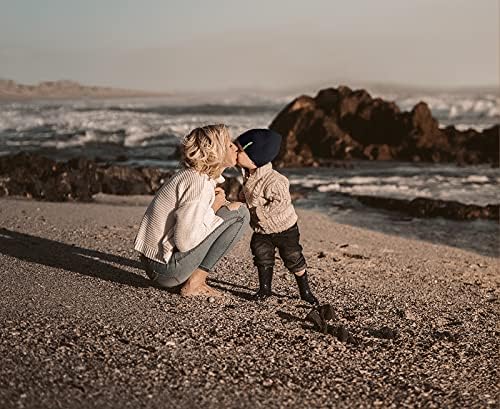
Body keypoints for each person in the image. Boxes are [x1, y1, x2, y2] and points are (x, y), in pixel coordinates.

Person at [134, 124, 250, 297]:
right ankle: (195, 283)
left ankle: (190, 280)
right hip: (166, 269)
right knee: (240, 214)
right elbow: (186, 241)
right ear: (215, 150)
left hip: (159, 263)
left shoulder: (195, 176)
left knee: (230, 211)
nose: (235, 147)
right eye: (228, 144)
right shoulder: (198, 183)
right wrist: (215, 207)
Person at [236, 128, 319, 305]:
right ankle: (265, 289)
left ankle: (305, 290)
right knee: (261, 255)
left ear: (255, 156)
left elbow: (279, 203)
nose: (235, 152)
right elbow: (249, 193)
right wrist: (242, 198)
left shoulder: (275, 181)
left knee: (293, 257)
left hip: (284, 229)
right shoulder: (248, 174)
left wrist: (256, 211)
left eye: (240, 150)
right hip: (261, 229)